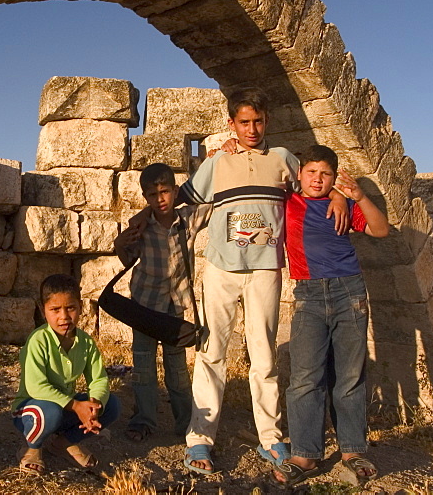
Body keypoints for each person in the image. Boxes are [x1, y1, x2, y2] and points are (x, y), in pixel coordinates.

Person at [180, 88, 350, 475]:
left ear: (266, 121)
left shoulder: (282, 159)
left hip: (265, 271)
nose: (252, 129)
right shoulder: (218, 161)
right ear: (231, 124)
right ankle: (199, 441)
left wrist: (338, 195)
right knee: (211, 354)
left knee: (264, 355)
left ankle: (271, 438)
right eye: (244, 122)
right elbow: (185, 199)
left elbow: (314, 184)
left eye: (257, 121)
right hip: (222, 269)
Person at [274, 144, 389, 487]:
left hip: (349, 292)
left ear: (334, 177)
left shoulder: (347, 205)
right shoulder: (288, 202)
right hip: (308, 294)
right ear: (299, 174)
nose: (317, 179)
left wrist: (355, 195)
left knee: (349, 376)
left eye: (325, 174)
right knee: (305, 378)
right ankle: (305, 455)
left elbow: (381, 230)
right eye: (311, 172)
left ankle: (352, 450)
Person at [113, 163, 212, 443]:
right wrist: (120, 244)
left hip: (175, 308)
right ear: (145, 197)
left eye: (166, 192)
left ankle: (185, 423)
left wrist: (214, 161)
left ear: (175, 191)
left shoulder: (188, 220)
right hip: (144, 306)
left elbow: (214, 201)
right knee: (143, 369)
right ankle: (144, 420)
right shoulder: (140, 225)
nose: (160, 199)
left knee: (178, 369)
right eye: (153, 195)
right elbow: (127, 258)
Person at [12, 274, 120, 474]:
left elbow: (98, 379)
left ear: (80, 306)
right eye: (55, 309)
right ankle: (32, 449)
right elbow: (36, 387)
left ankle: (63, 443)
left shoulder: (85, 342)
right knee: (49, 413)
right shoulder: (38, 341)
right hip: (32, 408)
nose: (64, 317)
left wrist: (93, 405)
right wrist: (76, 406)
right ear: (43, 310)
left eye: (70, 308)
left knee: (111, 405)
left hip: (66, 406)